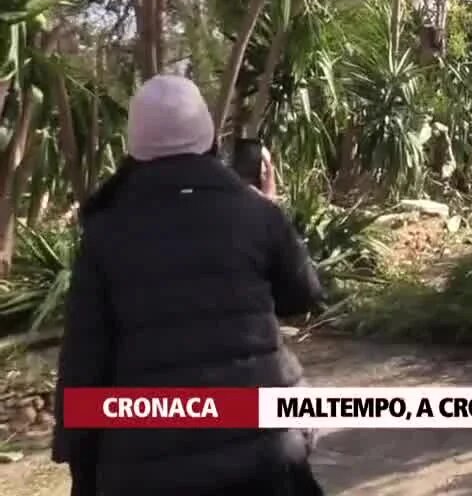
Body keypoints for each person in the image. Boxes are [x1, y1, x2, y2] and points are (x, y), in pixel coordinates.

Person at [51, 74, 327, 496]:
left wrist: (81, 466)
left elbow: (84, 359)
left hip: (147, 470)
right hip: (263, 457)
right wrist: (272, 213)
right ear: (208, 135)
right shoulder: (254, 213)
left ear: (135, 146)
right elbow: (302, 294)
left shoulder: (106, 229)